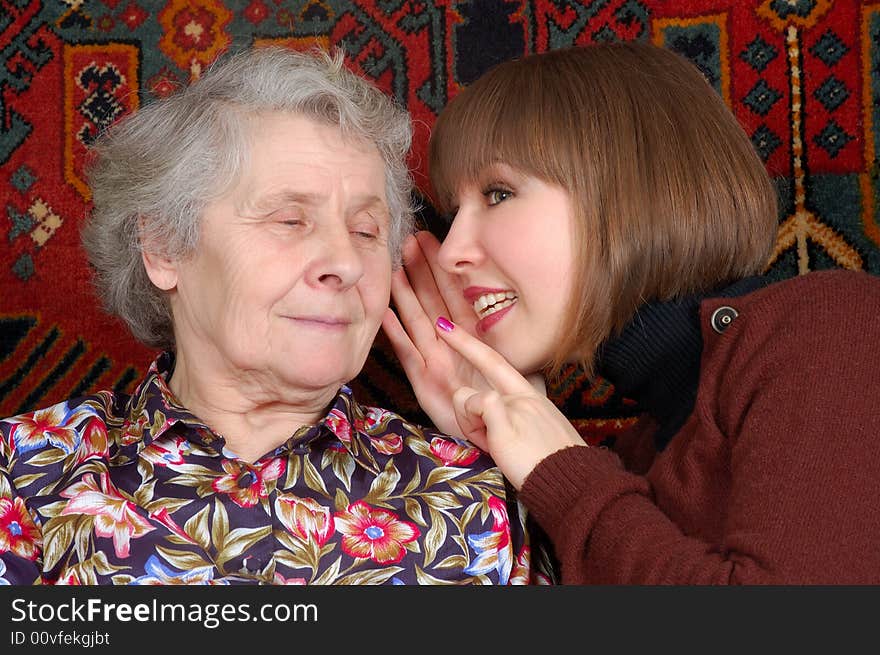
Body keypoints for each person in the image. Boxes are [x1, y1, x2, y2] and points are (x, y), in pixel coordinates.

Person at [0, 46, 555, 585]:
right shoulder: (23, 476)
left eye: (366, 232)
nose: (344, 262)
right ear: (165, 247)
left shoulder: (479, 496)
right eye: (290, 221)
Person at [382, 41, 880, 584]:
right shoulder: (638, 454)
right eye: (456, 213)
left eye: (498, 194)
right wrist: (491, 444)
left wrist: (562, 472)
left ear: (623, 188)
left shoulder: (827, 327)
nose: (451, 251)